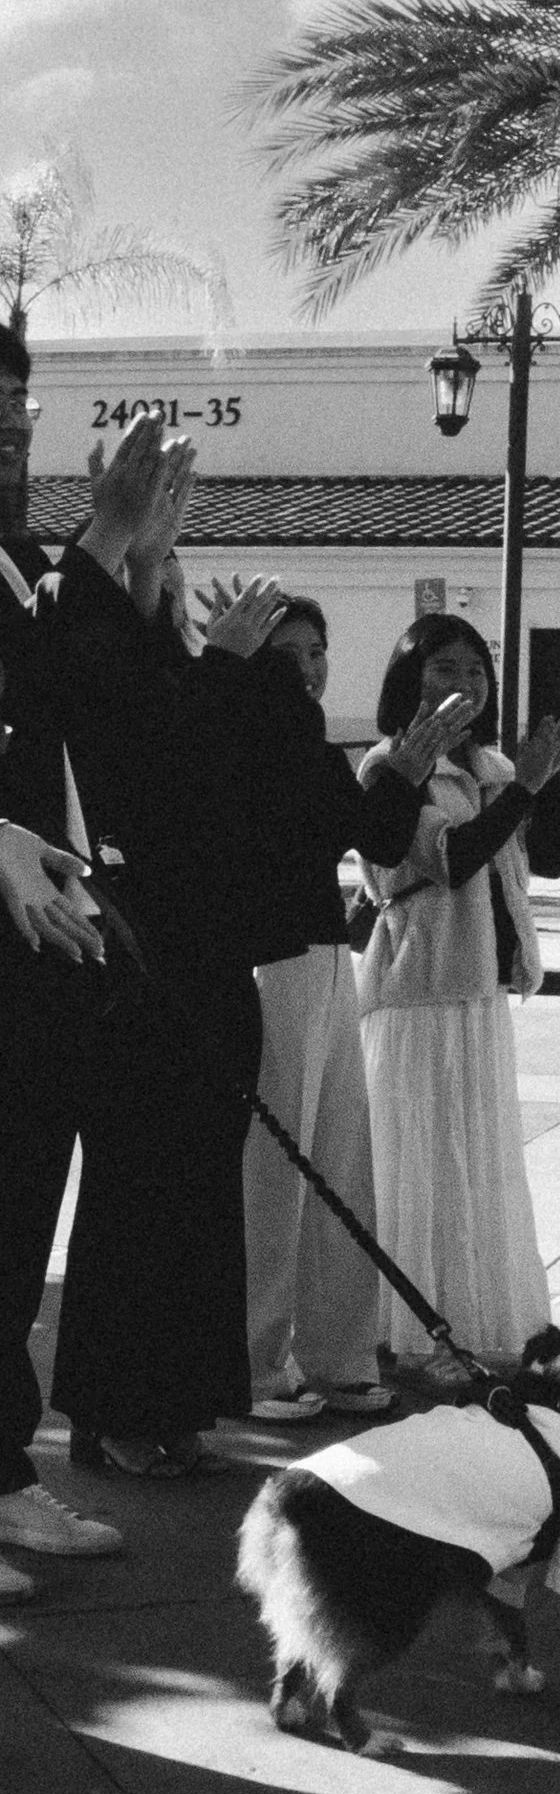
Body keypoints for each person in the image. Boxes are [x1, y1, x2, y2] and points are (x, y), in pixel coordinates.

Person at [46, 437, 296, 1477]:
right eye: (161, 582)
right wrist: (144, 566)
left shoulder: (175, 677)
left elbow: (190, 731)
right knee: (141, 1201)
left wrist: (155, 561)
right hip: (144, 973)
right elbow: (150, 740)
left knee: (196, 1205)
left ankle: (175, 1402)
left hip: (204, 964)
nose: (176, 594)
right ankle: (117, 1409)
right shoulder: (101, 663)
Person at [232, 596, 479, 1421]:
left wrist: (409, 773)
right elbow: (356, 834)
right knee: (275, 1177)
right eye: (288, 651)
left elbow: (368, 833)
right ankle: (256, 1365)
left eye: (318, 649)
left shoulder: (308, 741)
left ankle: (338, 1356)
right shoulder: (241, 737)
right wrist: (404, 774)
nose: (309, 666)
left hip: (330, 957)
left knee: (343, 1166)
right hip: (270, 963)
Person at [355, 620, 560, 1372]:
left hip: (482, 987)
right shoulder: (392, 765)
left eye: (478, 667)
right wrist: (523, 786)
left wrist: (542, 782)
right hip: (419, 988)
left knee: (474, 1164)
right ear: (408, 679)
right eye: (443, 665)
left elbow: (549, 859)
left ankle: (476, 1320)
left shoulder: (489, 765)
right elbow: (451, 859)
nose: (466, 679)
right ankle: (410, 1333)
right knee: (420, 1164)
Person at [0, 335, 126, 1562]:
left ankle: (3, 1470)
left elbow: (84, 701)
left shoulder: (27, 563)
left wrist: (129, 556)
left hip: (46, 948)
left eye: (15, 410)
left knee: (19, 1219)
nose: (8, 432)